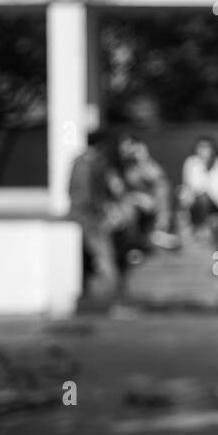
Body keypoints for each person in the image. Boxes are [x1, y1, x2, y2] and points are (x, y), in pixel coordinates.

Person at [67, 130, 126, 311]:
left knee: (95, 260)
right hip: (89, 219)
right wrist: (100, 215)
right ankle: (116, 302)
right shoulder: (90, 164)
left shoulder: (79, 161)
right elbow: (86, 197)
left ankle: (102, 300)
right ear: (101, 145)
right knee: (107, 259)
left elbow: (70, 190)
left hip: (80, 216)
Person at [117, 132, 181, 257]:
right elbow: (119, 192)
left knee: (163, 188)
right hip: (127, 202)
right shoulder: (117, 166)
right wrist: (138, 198)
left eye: (131, 146)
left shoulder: (140, 162)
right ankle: (134, 245)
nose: (127, 150)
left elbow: (159, 178)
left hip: (148, 202)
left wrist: (144, 159)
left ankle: (161, 230)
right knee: (129, 209)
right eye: (125, 147)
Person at [179, 136, 218, 240]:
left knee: (203, 197)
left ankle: (205, 229)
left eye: (207, 147)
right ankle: (198, 228)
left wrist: (207, 166)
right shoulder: (191, 163)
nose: (204, 151)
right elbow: (188, 186)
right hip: (196, 203)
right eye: (201, 148)